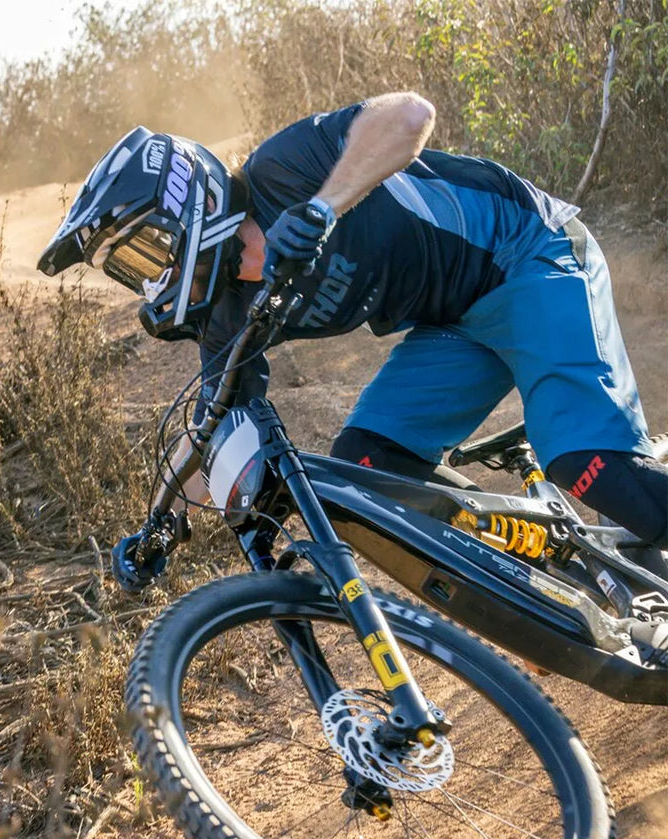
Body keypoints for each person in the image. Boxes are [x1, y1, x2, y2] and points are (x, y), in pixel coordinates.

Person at [37, 92, 667, 591]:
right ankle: (556, 578)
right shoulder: (227, 312)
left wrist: (324, 207)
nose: (150, 278)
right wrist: (158, 521)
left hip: (526, 253)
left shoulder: (283, 168)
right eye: (132, 270)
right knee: (368, 471)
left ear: (184, 203)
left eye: (146, 252)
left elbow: (411, 115)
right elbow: (211, 426)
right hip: (455, 323)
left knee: (586, 463)